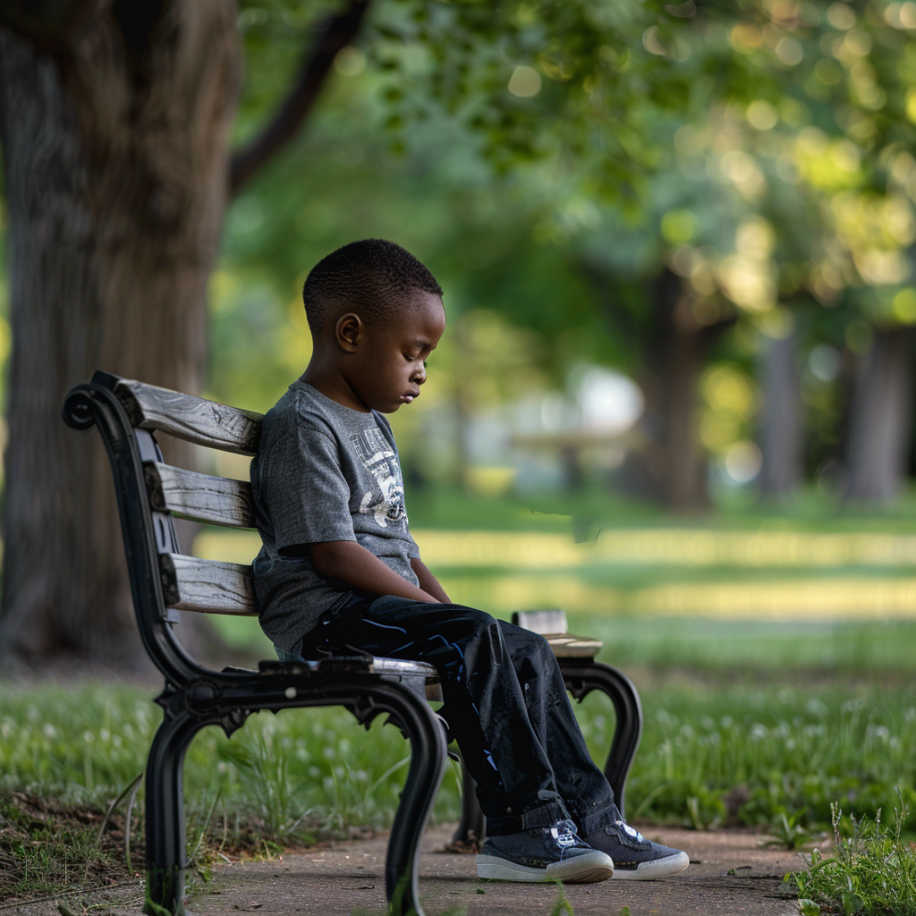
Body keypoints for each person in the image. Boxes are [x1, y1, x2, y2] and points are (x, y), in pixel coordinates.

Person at [250, 239, 689, 884]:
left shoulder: (371, 424)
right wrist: (440, 613)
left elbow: (402, 550)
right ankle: (521, 831)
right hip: (325, 614)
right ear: (350, 333)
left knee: (524, 647)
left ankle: (592, 818)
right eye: (413, 352)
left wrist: (448, 607)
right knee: (474, 638)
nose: (422, 371)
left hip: (373, 605)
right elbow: (333, 554)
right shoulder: (303, 423)